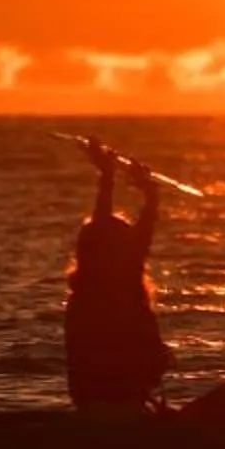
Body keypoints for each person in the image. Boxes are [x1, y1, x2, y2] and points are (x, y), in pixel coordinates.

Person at [64, 143, 172, 412]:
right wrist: (146, 195)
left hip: (97, 397)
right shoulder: (112, 286)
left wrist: (111, 177)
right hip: (114, 397)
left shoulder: (93, 289)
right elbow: (121, 233)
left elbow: (113, 232)